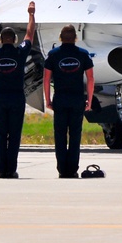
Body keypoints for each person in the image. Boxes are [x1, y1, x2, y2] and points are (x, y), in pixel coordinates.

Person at [0, 0, 36, 179]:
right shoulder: (20, 52)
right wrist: (31, 14)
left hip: (0, 99)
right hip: (16, 99)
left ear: (0, 40)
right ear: (15, 40)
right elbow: (30, 35)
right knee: (14, 135)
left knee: (0, 135)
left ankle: (1, 170)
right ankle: (11, 169)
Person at [43, 25, 95, 178]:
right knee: (75, 135)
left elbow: (46, 79)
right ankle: (72, 169)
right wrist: (89, 100)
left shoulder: (53, 55)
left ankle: (62, 169)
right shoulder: (83, 54)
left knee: (59, 135)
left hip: (60, 99)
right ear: (75, 38)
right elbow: (90, 78)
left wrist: (47, 99)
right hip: (77, 99)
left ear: (60, 37)